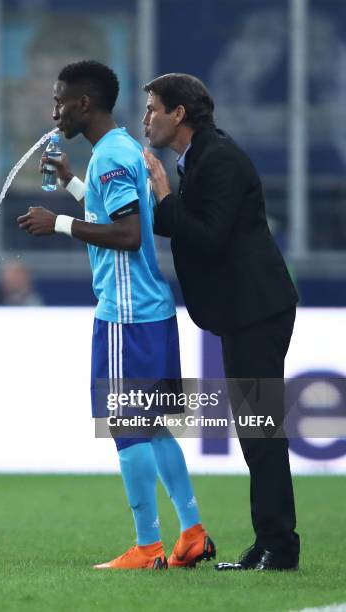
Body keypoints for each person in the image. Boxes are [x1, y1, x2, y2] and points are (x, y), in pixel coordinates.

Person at [17, 61, 215, 569]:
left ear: (85, 103)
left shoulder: (111, 157)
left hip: (127, 316)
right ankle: (191, 533)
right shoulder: (121, 149)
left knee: (127, 427)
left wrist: (58, 222)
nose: (55, 109)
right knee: (153, 428)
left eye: (61, 100)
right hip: (149, 310)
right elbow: (124, 217)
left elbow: (127, 236)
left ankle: (148, 546)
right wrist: (76, 188)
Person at [142, 73, 300, 571]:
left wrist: (166, 194)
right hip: (243, 311)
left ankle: (279, 546)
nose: (146, 119)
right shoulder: (201, 157)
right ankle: (269, 542)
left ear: (178, 114)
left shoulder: (220, 159)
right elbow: (177, 226)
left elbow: (206, 237)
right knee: (255, 431)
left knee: (261, 429)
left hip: (256, 309)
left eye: (152, 109)